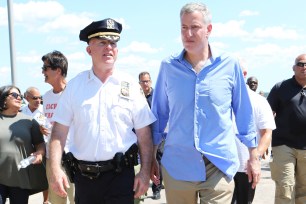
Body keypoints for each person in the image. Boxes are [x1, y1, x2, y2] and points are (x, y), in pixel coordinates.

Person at [150, 3, 261, 204]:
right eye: (184, 28)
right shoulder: (168, 67)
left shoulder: (229, 64)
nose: (188, 33)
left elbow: (244, 113)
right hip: (178, 165)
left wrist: (253, 157)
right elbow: (159, 114)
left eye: (195, 27)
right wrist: (150, 157)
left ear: (208, 29)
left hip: (218, 164)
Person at [48, 18, 156, 204]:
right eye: (102, 43)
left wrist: (145, 173)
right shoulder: (75, 87)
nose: (108, 48)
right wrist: (55, 170)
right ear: (89, 50)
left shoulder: (130, 86)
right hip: (85, 180)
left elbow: (144, 135)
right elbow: (58, 133)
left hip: (122, 179)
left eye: (113, 43)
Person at [231, 60, 276, 204]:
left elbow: (266, 133)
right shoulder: (218, 99)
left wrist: (254, 157)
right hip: (220, 166)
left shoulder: (258, 101)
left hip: (246, 166)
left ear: (244, 74)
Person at [267, 53, 306, 204]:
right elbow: (267, 115)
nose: (304, 67)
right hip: (283, 144)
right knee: (285, 187)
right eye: (301, 64)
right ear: (294, 67)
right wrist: (264, 140)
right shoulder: (280, 87)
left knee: (304, 190)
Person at [0, 85, 47, 204]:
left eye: (20, 96)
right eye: (15, 95)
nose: (19, 98)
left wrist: (40, 154)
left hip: (20, 177)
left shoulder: (29, 121)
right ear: (3, 98)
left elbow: (40, 143)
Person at [41, 50, 75, 204]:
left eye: (46, 68)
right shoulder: (46, 97)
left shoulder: (74, 92)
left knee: (78, 199)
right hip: (52, 157)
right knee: (56, 200)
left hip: (73, 157)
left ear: (58, 70)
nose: (43, 72)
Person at [21, 87, 50, 204]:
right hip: (27, 147)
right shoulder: (21, 111)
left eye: (40, 98)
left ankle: (46, 201)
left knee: (45, 174)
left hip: (43, 147)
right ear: (27, 98)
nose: (38, 100)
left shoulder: (44, 111)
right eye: (35, 98)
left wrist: (44, 130)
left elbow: (50, 129)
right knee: (26, 175)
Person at [138, 71, 163, 200]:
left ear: (151, 81)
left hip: (156, 135)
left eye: (147, 81)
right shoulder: (138, 97)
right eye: (143, 81)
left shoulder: (156, 96)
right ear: (139, 83)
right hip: (141, 136)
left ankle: (157, 188)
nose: (145, 83)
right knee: (143, 160)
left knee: (157, 161)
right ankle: (141, 186)